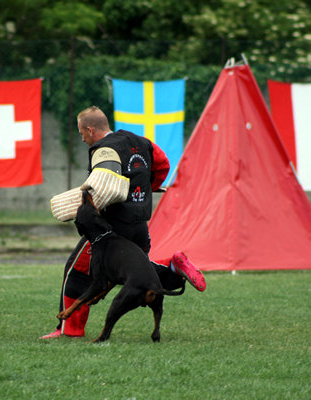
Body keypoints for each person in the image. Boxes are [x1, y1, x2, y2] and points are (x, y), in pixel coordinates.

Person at [40, 106, 206, 339]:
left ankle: (70, 330)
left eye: (82, 133)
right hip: (140, 223)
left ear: (90, 129)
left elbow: (106, 179)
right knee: (139, 271)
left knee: (76, 270)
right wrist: (147, 188)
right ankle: (172, 269)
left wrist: (87, 203)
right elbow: (162, 165)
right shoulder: (141, 141)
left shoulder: (104, 150)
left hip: (112, 227)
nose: (82, 138)